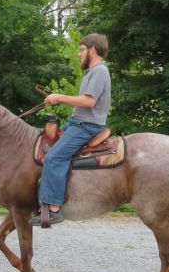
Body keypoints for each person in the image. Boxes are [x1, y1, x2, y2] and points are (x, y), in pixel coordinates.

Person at [30, 33, 111, 227]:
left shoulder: (99, 71)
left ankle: (55, 209)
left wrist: (59, 97)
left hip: (86, 126)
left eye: (81, 49)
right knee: (42, 143)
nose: (78, 53)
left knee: (54, 157)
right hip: (77, 122)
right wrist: (57, 98)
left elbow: (89, 102)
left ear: (92, 50)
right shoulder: (91, 73)